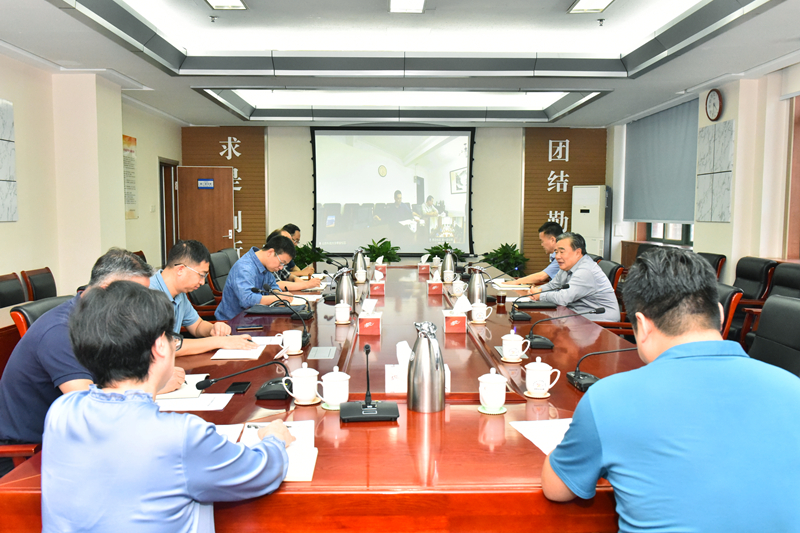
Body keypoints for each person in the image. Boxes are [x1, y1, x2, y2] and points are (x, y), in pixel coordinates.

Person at [541, 248, 800, 532]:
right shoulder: (793, 387)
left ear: (642, 325)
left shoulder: (610, 398)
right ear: (721, 313)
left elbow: (556, 489)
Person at [41, 280, 295, 532]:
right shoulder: (181, 435)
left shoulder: (61, 411)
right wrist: (274, 439)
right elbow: (262, 471)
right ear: (161, 346)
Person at [0, 249, 184, 477]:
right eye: (135, 295)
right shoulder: (59, 332)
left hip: (77, 443)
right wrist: (153, 385)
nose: (140, 304)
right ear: (106, 292)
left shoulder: (103, 321)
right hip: (29, 457)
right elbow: (91, 409)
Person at [150, 240, 258, 355]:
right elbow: (163, 346)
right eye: (201, 275)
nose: (202, 282)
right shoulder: (147, 294)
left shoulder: (180, 293)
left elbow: (197, 326)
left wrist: (213, 329)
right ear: (180, 270)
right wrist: (219, 342)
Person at [528, 232, 620, 321]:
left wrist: (540, 295)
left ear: (578, 252)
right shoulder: (567, 266)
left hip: (600, 321)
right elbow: (553, 285)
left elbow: (563, 298)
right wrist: (536, 291)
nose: (557, 256)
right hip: (576, 315)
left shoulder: (586, 271)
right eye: (556, 252)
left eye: (562, 252)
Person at [215, 235, 297, 321]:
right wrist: (279, 298)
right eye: (281, 263)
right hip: (234, 322)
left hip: (256, 317)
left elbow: (273, 286)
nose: (281, 268)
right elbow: (247, 300)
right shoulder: (244, 268)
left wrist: (278, 294)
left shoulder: (265, 265)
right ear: (270, 252)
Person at [512, 221, 562, 285]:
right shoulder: (557, 257)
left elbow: (541, 277)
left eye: (542, 241)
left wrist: (515, 282)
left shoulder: (561, 258)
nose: (542, 244)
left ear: (552, 240)